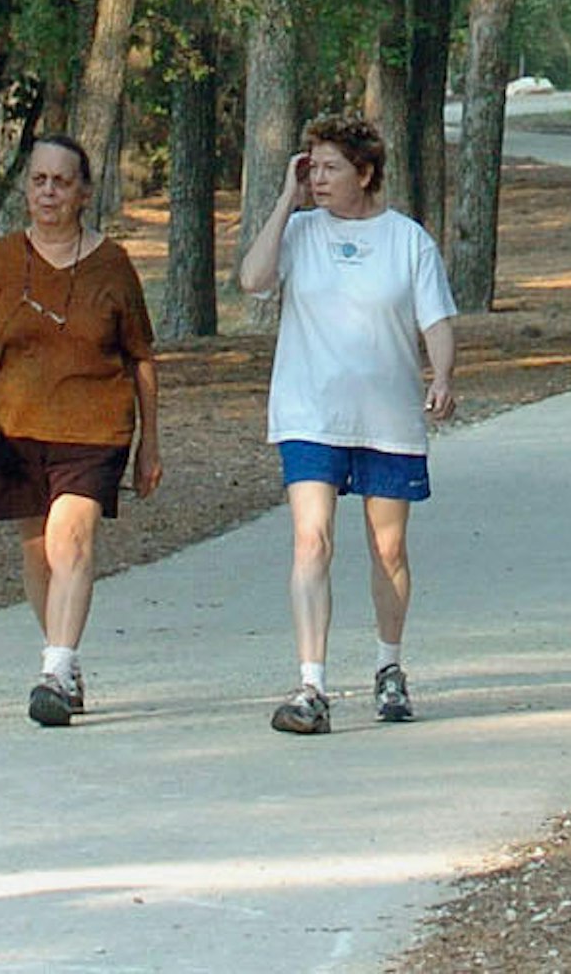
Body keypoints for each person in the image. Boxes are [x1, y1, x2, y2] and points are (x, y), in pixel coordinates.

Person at [238, 112, 456, 734]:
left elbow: (435, 320)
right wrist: (285, 197)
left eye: (331, 167)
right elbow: (253, 281)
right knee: (312, 540)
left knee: (388, 547)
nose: (320, 178)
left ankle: (389, 667)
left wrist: (441, 376)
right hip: (310, 415)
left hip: (386, 419)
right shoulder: (300, 232)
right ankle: (312, 685)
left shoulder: (406, 239)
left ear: (365, 173)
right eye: (312, 167)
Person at [0, 132, 161, 727]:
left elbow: (141, 358)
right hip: (15, 426)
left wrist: (149, 445)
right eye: (38, 180)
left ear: (83, 193)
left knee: (72, 540)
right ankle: (66, 660)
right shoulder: (2, 259)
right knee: (39, 554)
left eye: (60, 182)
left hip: (95, 427)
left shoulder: (112, 265)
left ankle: (55, 670)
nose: (47, 191)